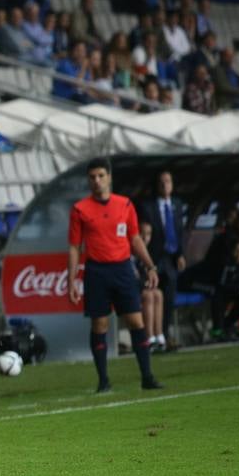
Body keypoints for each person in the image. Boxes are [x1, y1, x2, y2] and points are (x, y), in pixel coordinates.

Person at [67, 159, 162, 393]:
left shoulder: (125, 204)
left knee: (136, 321)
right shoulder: (80, 209)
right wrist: (72, 280)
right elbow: (74, 247)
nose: (97, 181)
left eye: (101, 175)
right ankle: (103, 381)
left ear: (109, 177)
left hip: (122, 269)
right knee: (100, 325)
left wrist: (150, 266)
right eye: (92, 177)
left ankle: (147, 377)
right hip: (96, 271)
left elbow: (135, 238)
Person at [140, 170, 185, 350]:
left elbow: (180, 231)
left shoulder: (177, 204)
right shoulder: (147, 206)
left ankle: (164, 335)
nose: (165, 184)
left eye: (168, 181)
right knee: (153, 293)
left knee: (169, 298)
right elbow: (143, 234)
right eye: (161, 181)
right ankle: (150, 337)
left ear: (172, 184)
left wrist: (180, 254)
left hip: (171, 258)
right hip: (153, 259)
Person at [136, 223, 165, 350]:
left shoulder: (151, 252)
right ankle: (149, 337)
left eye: (148, 234)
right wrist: (144, 283)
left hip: (144, 288)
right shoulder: (132, 252)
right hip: (133, 289)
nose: (145, 238)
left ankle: (159, 335)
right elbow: (133, 275)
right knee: (148, 295)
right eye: (142, 234)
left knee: (158, 293)